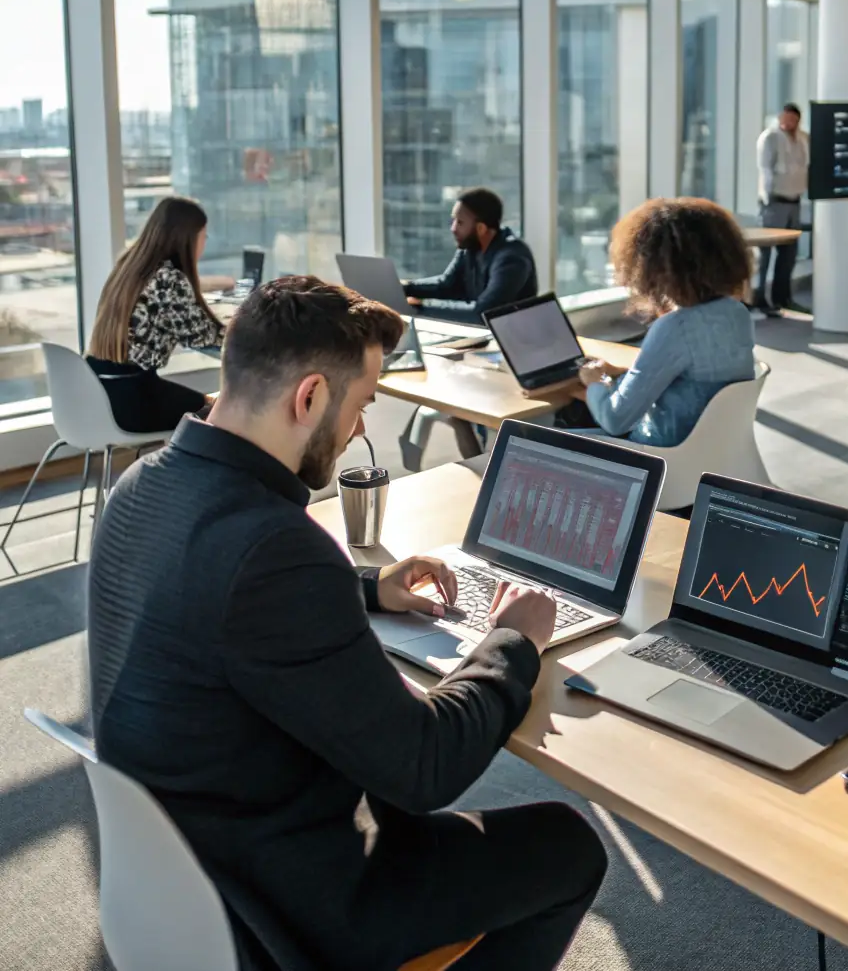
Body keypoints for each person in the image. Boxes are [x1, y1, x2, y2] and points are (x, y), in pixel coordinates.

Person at [87, 277, 607, 971]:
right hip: (289, 907)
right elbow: (423, 766)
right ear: (309, 397)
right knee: (568, 846)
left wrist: (363, 587)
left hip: (188, 871)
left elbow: (206, 598)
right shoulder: (275, 549)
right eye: (361, 403)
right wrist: (512, 640)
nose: (360, 426)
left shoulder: (143, 484)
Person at [564, 198, 755, 446]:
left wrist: (595, 382)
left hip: (662, 457)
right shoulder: (736, 313)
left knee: (536, 439)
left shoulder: (676, 327)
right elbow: (692, 377)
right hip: (713, 451)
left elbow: (615, 420)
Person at [87, 196, 229, 432]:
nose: (204, 242)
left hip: (103, 392)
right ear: (188, 238)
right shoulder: (169, 280)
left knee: (211, 403)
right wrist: (246, 328)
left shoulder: (128, 267)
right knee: (220, 411)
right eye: (203, 235)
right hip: (134, 401)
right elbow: (204, 336)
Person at [403, 187, 537, 324]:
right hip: (482, 335)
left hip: (514, 338)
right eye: (453, 221)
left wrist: (418, 309)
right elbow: (446, 285)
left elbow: (483, 312)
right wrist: (404, 288)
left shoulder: (512, 257)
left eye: (459, 223)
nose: (453, 229)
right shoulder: (470, 247)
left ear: (481, 228)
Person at [755, 102, 810, 316]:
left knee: (789, 253)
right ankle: (760, 298)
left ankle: (783, 297)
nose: (788, 123)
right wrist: (767, 199)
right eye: (784, 118)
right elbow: (766, 169)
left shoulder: (804, 139)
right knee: (765, 253)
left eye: (792, 119)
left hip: (794, 202)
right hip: (774, 202)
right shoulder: (770, 137)